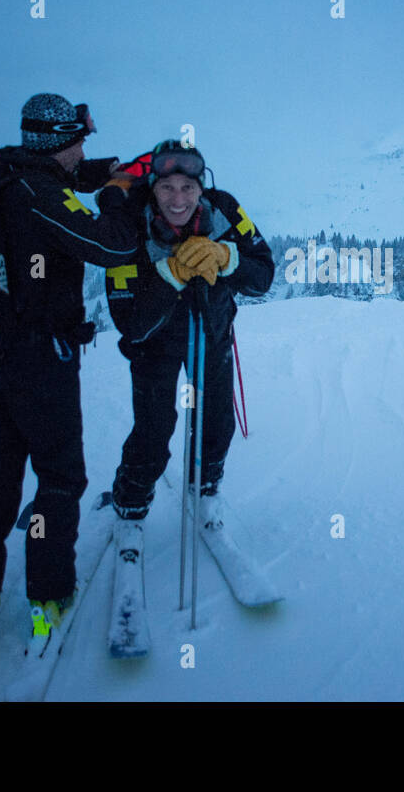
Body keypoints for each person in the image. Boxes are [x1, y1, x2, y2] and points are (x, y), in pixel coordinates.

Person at [0, 93, 137, 643]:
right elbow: (111, 246)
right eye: (81, 140)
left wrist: (107, 173)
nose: (85, 148)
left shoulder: (3, 175)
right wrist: (118, 197)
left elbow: (61, 185)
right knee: (59, 477)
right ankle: (49, 594)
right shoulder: (42, 196)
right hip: (38, 363)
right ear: (60, 140)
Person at [104, 140, 273, 522]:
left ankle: (206, 488)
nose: (177, 199)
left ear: (201, 187)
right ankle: (130, 504)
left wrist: (228, 258)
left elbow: (263, 275)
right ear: (152, 187)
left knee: (217, 424)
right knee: (152, 432)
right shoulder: (129, 224)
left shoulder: (225, 210)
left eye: (187, 188)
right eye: (167, 187)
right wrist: (171, 276)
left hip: (212, 336)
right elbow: (129, 324)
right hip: (153, 347)